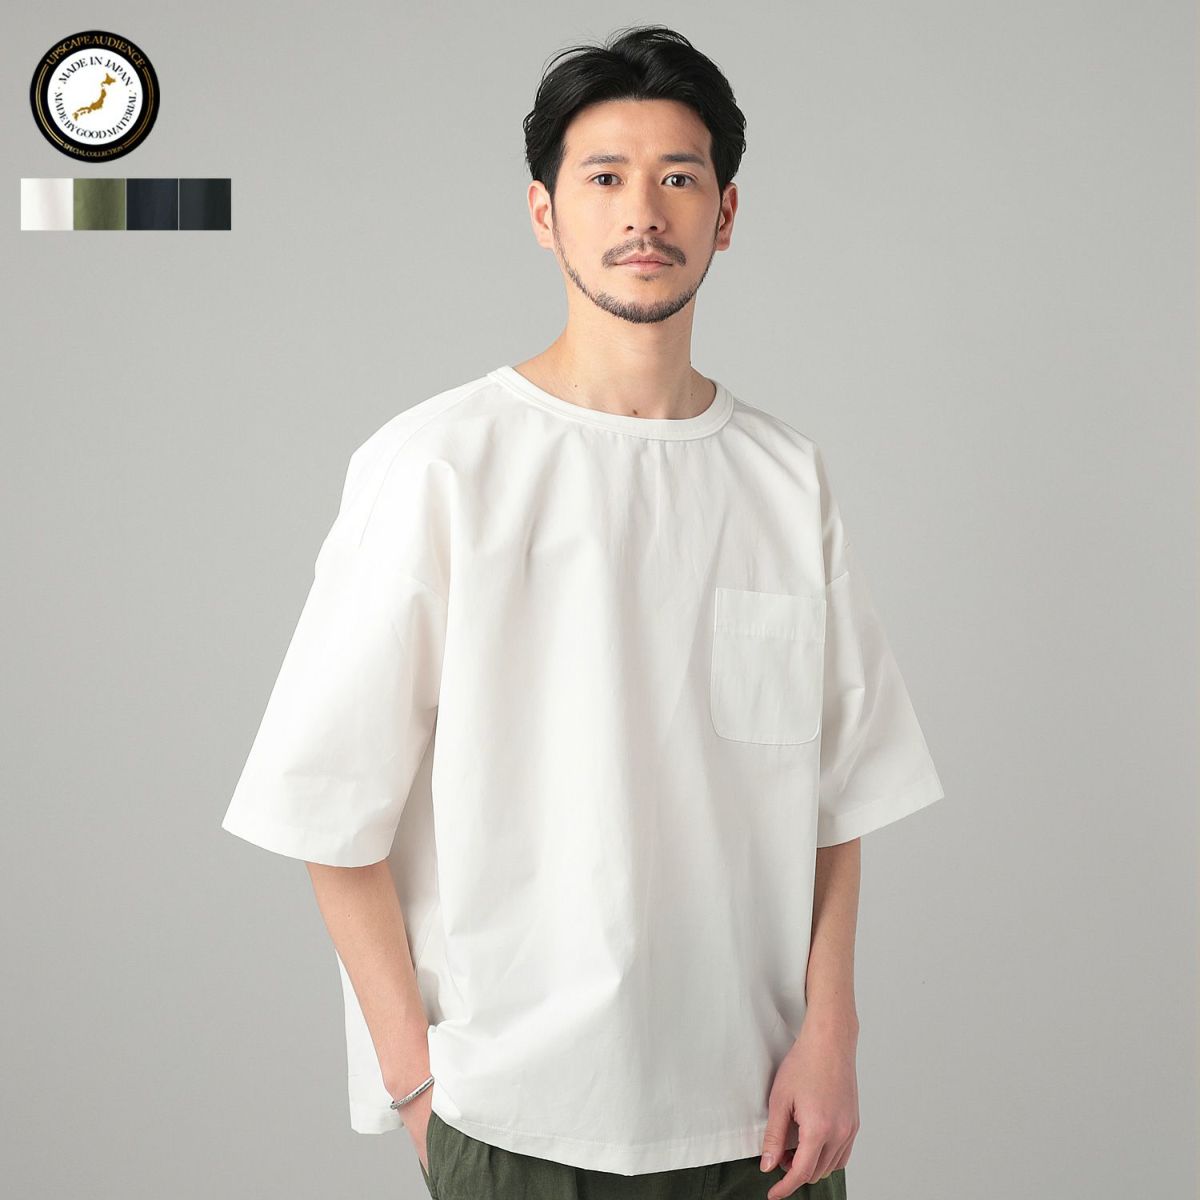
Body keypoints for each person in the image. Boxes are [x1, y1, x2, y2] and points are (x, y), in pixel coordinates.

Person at [220, 23, 946, 1200]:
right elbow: (328, 808)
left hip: (765, 1121)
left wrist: (832, 1034)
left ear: (726, 213)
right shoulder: (439, 466)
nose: (642, 213)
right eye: (604, 177)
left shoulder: (784, 477)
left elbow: (835, 795)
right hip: (518, 1122)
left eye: (679, 178)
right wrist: (418, 1088)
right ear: (544, 213)